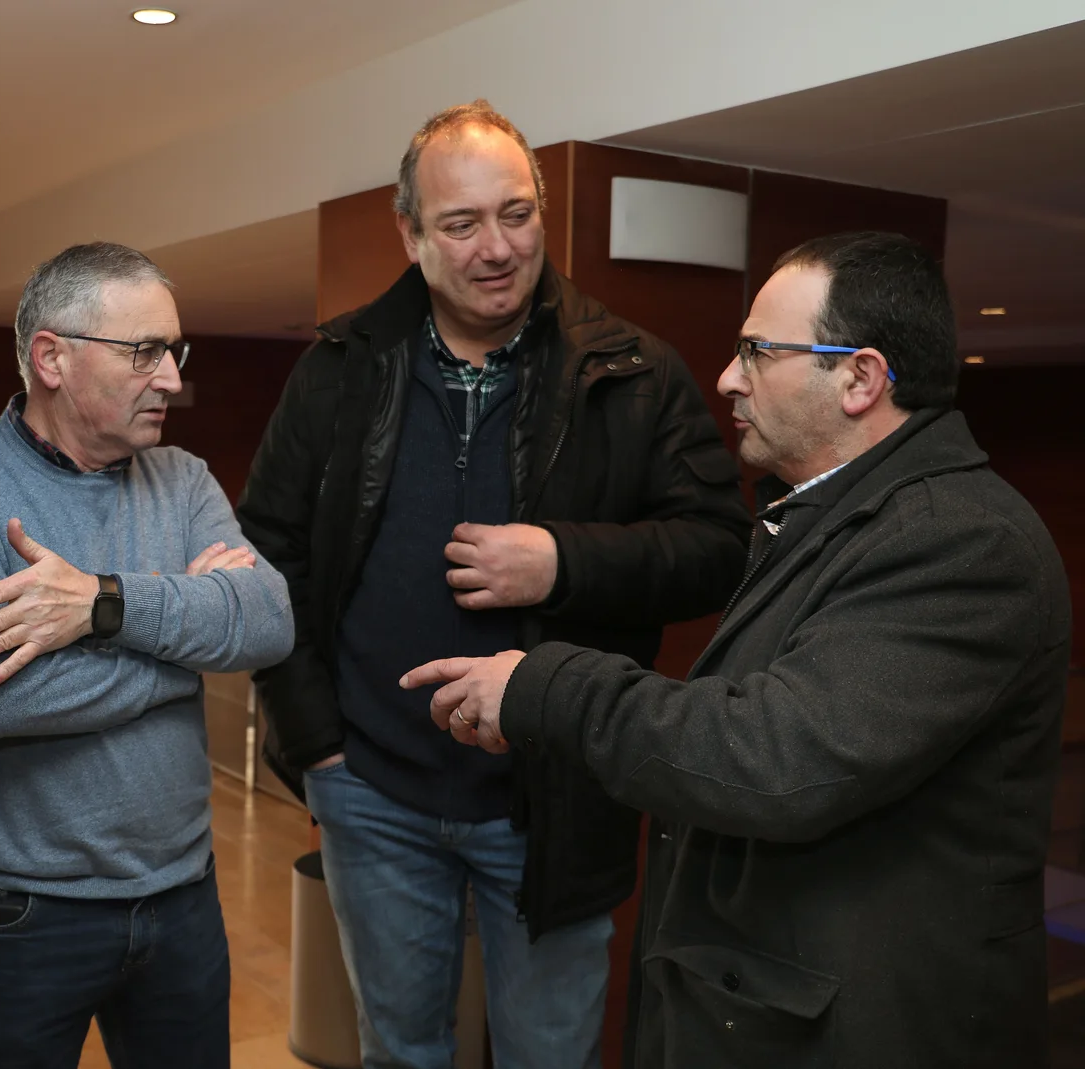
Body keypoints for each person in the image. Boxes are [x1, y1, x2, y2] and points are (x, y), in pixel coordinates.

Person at [405, 231, 1070, 1068]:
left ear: (860, 378)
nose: (727, 378)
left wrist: (545, 684)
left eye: (758, 351)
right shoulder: (827, 516)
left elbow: (774, 754)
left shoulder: (961, 541)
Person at [236, 100, 750, 1068]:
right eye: (461, 223)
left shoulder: (630, 369)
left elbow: (718, 544)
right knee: (401, 1051)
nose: (495, 248)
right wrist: (318, 751)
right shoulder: (339, 369)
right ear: (411, 234)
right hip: (373, 795)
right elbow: (269, 555)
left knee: (549, 1057)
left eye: (514, 214)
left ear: (543, 210)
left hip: (552, 799)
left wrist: (563, 559)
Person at [0, 242, 294, 1068]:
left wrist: (105, 605)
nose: (173, 378)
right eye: (145, 352)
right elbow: (2, 701)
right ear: (52, 358)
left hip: (182, 899)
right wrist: (187, 640)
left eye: (174, 351)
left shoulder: (182, 479)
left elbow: (269, 620)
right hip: (21, 914)